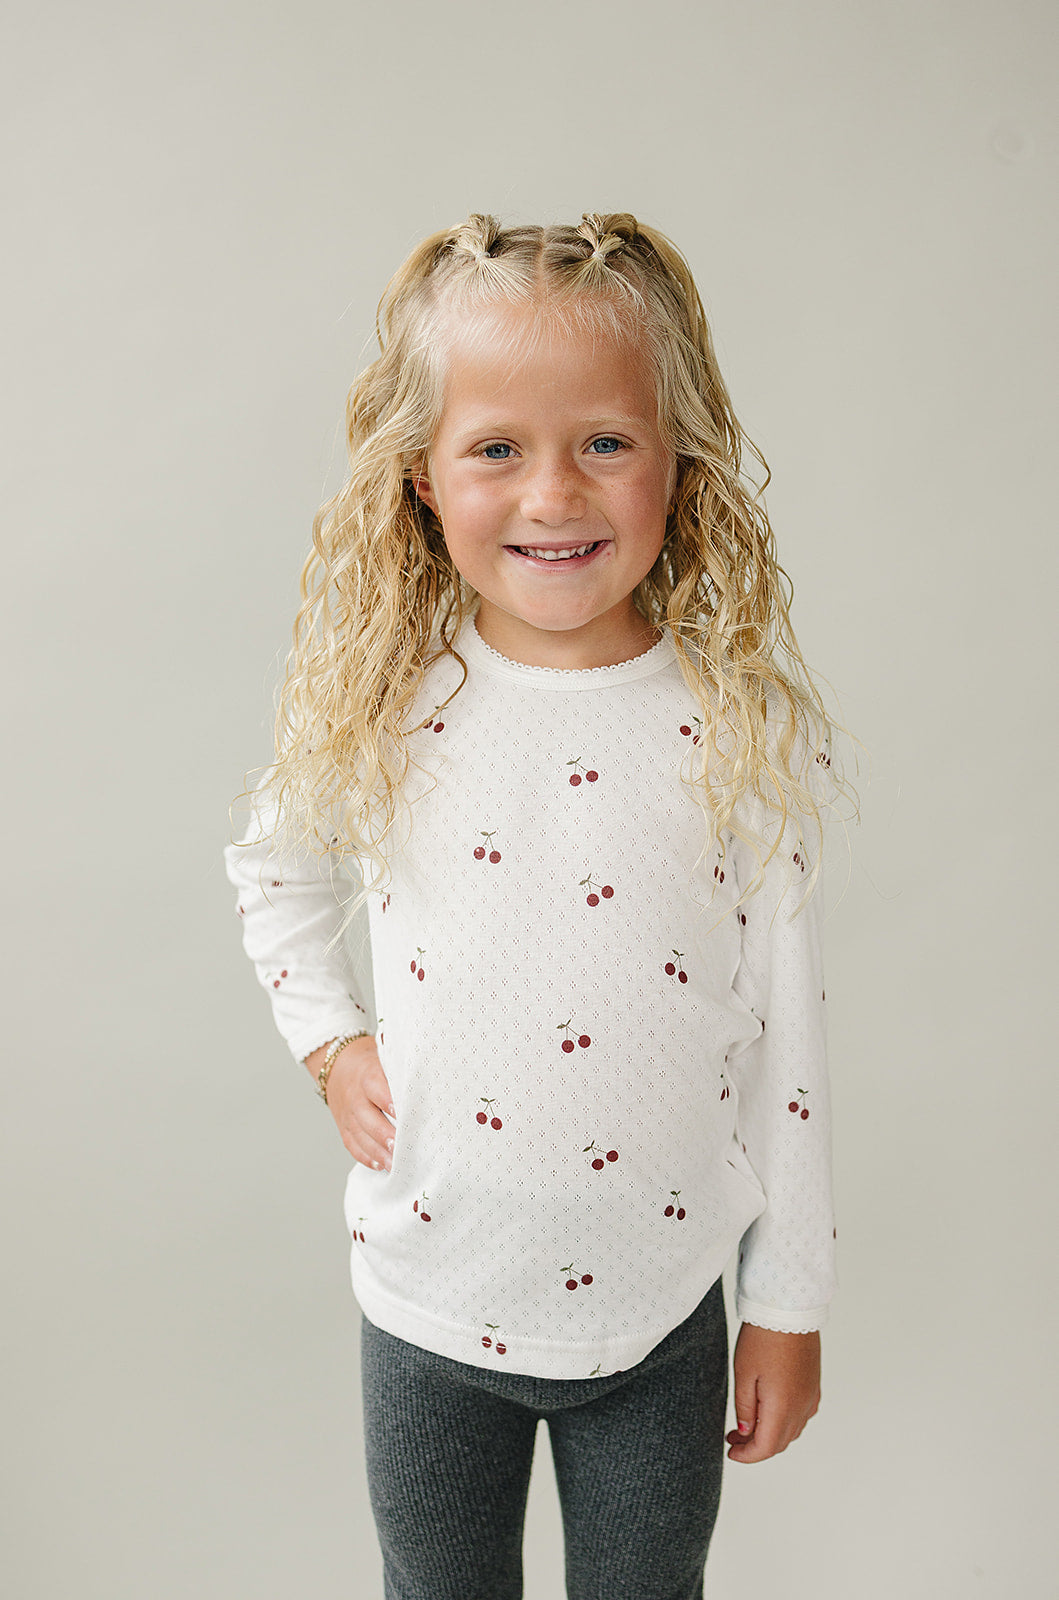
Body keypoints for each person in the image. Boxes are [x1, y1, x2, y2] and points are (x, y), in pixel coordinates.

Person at [225, 212, 851, 1600]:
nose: (555, 494)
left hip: (661, 1309)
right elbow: (272, 870)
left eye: (605, 444)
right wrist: (332, 1045)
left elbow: (790, 1054)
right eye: (498, 448)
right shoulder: (389, 705)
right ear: (422, 481)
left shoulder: (735, 730)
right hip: (432, 1295)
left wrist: (788, 1306)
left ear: (676, 466)